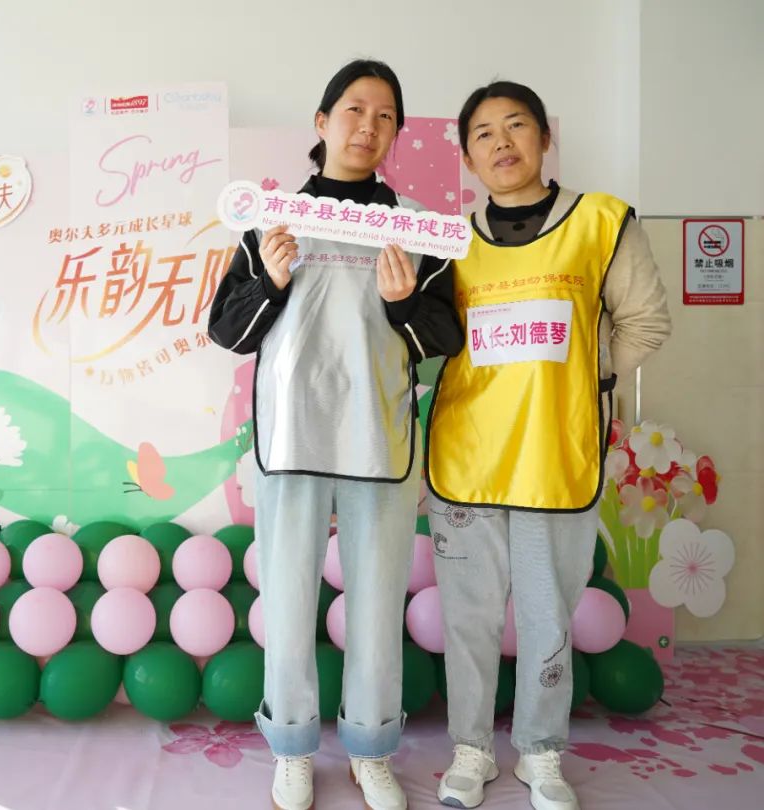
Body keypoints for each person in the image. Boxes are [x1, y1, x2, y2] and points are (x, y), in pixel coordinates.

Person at [208, 59, 464, 810]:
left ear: (396, 133)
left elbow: (445, 334)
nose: (368, 127)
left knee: (377, 603)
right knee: (288, 598)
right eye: (354, 110)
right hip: (291, 439)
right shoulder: (272, 219)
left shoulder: (417, 228)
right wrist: (271, 282)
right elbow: (227, 330)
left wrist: (402, 303)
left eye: (385, 116)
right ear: (322, 122)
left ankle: (371, 747)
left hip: (378, 440)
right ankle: (291, 747)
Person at [425, 81, 672, 810]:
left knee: (547, 615)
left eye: (517, 126)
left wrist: (584, 375)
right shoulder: (451, 241)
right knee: (468, 619)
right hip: (467, 456)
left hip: (554, 458)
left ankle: (540, 751)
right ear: (467, 156)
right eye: (483, 134)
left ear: (544, 137)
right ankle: (471, 749)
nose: (501, 143)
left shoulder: (600, 222)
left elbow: (645, 322)